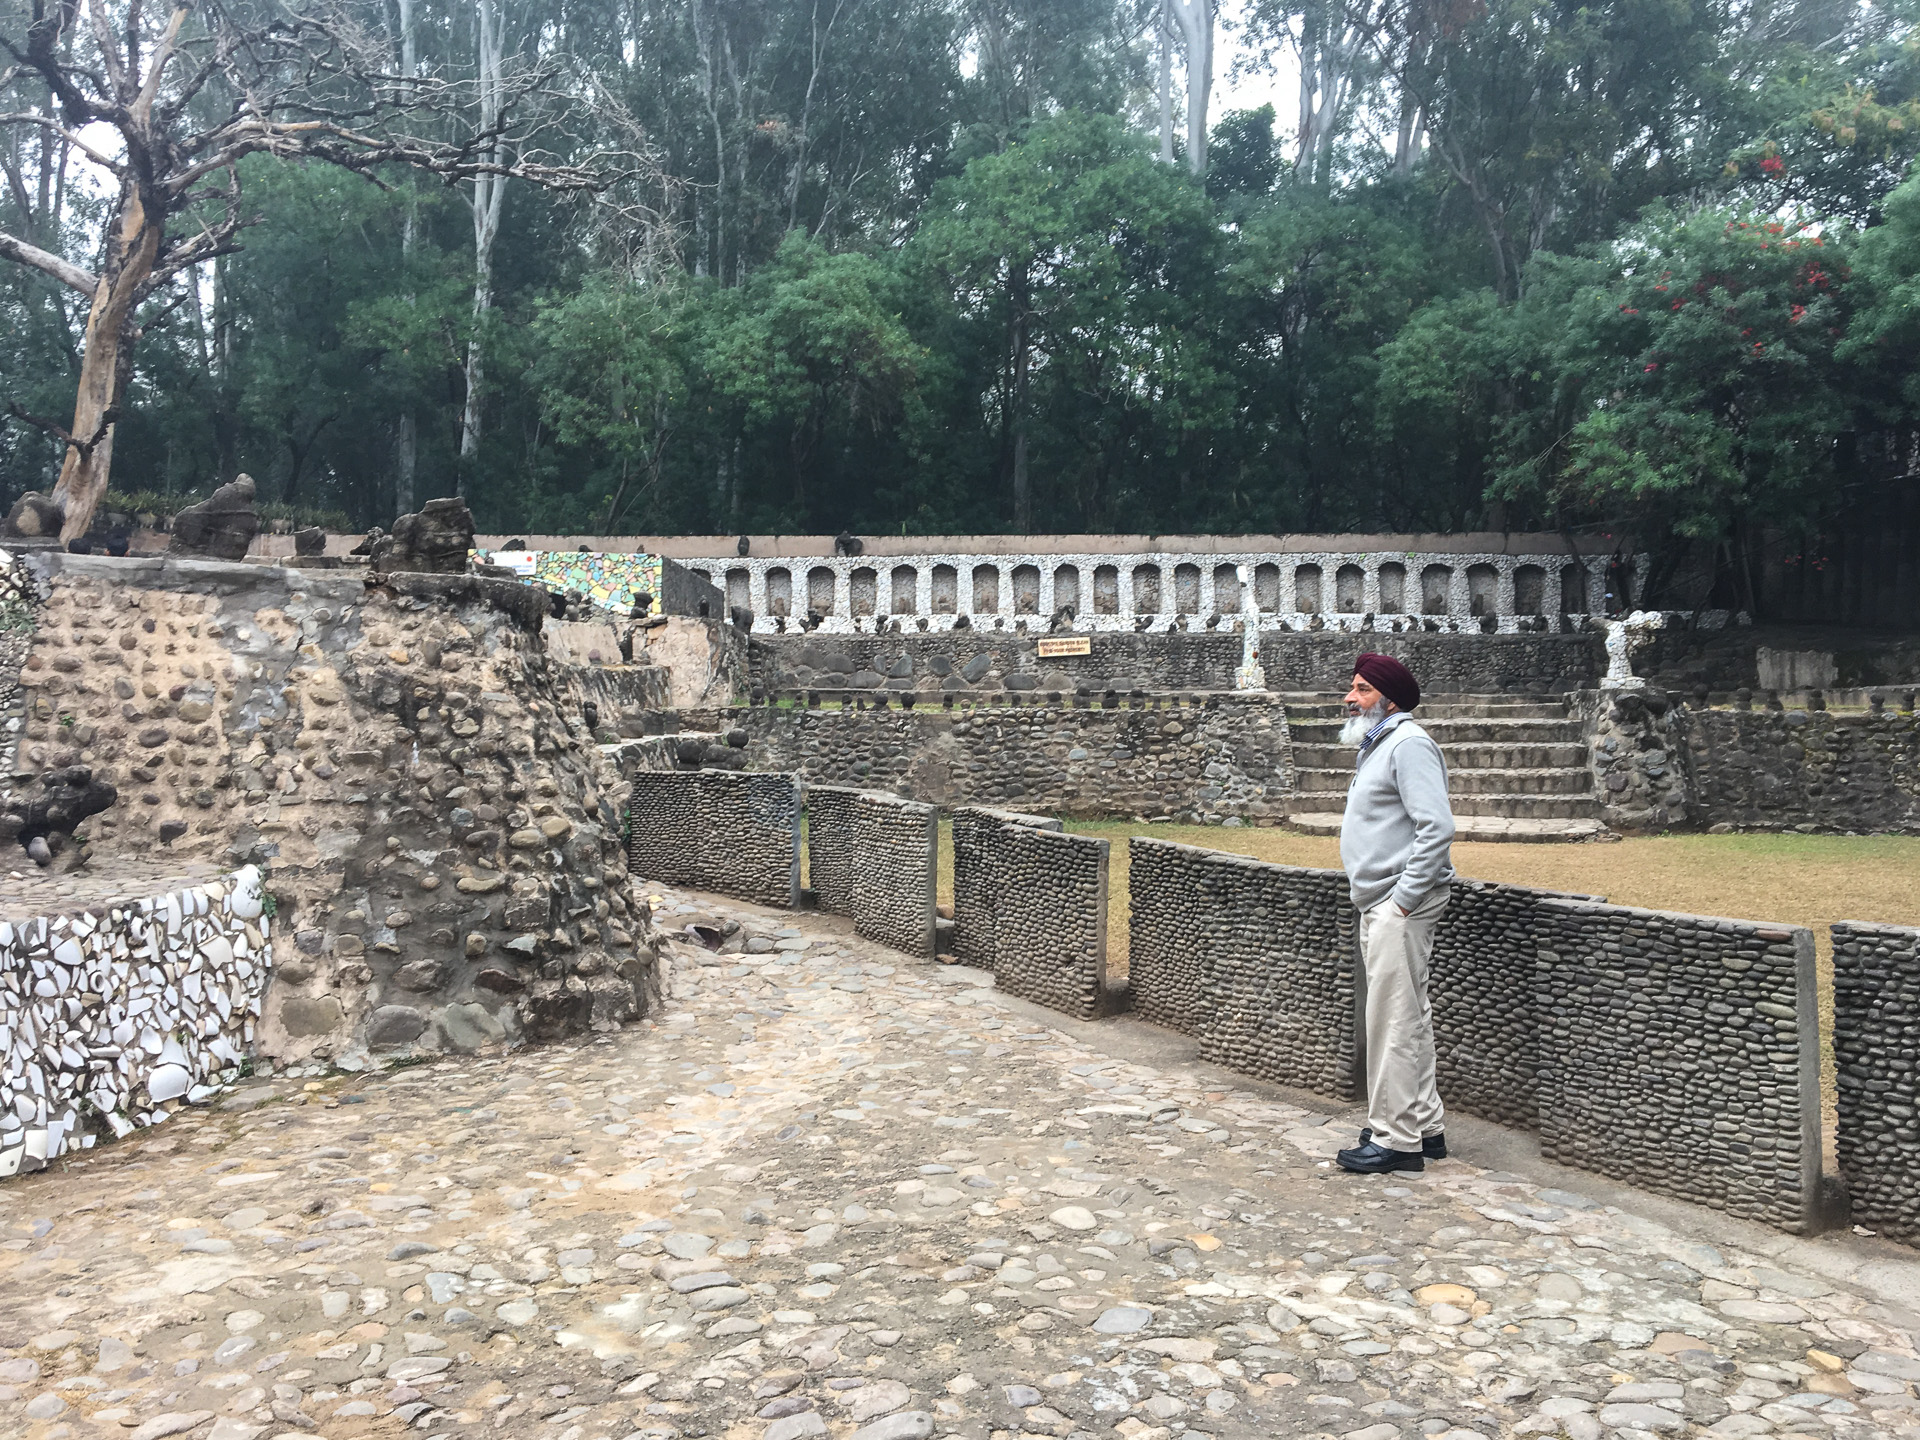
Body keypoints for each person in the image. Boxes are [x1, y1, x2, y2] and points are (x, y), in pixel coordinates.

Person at [1335, 653, 1456, 1175]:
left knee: (1391, 1021)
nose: (1350, 697)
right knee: (1409, 1015)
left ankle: (1396, 1139)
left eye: (1361, 690)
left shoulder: (1409, 744)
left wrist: (1402, 899)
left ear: (1388, 700)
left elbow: (1437, 827)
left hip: (1399, 904)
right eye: (1354, 688)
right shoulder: (1380, 744)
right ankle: (1424, 1127)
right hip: (1384, 900)